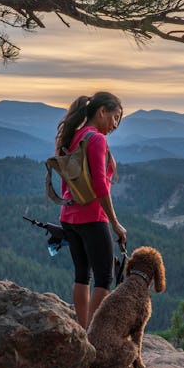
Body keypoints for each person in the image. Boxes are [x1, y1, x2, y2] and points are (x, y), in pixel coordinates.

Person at [55, 92, 127, 329]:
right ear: (101, 112)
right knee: (104, 277)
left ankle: (83, 331)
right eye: (115, 117)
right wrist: (114, 222)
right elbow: (99, 184)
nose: (115, 124)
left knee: (82, 274)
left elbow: (67, 180)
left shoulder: (74, 136)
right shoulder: (96, 139)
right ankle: (94, 335)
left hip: (69, 216)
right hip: (92, 217)